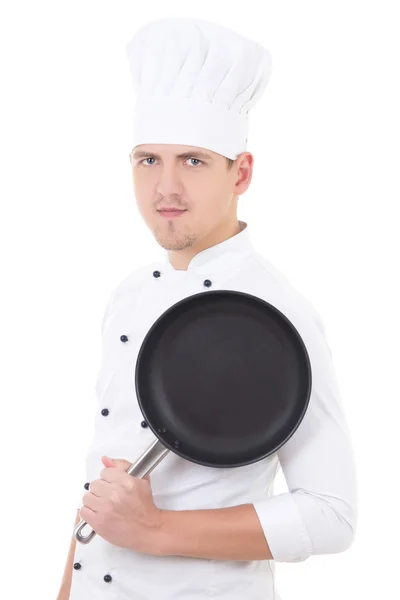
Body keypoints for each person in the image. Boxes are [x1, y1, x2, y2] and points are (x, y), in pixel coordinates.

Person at [57, 17, 358, 600]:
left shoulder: (275, 314)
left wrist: (156, 529)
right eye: (149, 160)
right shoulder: (128, 295)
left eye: (193, 160)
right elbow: (104, 487)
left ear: (240, 172)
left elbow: (332, 514)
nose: (166, 187)